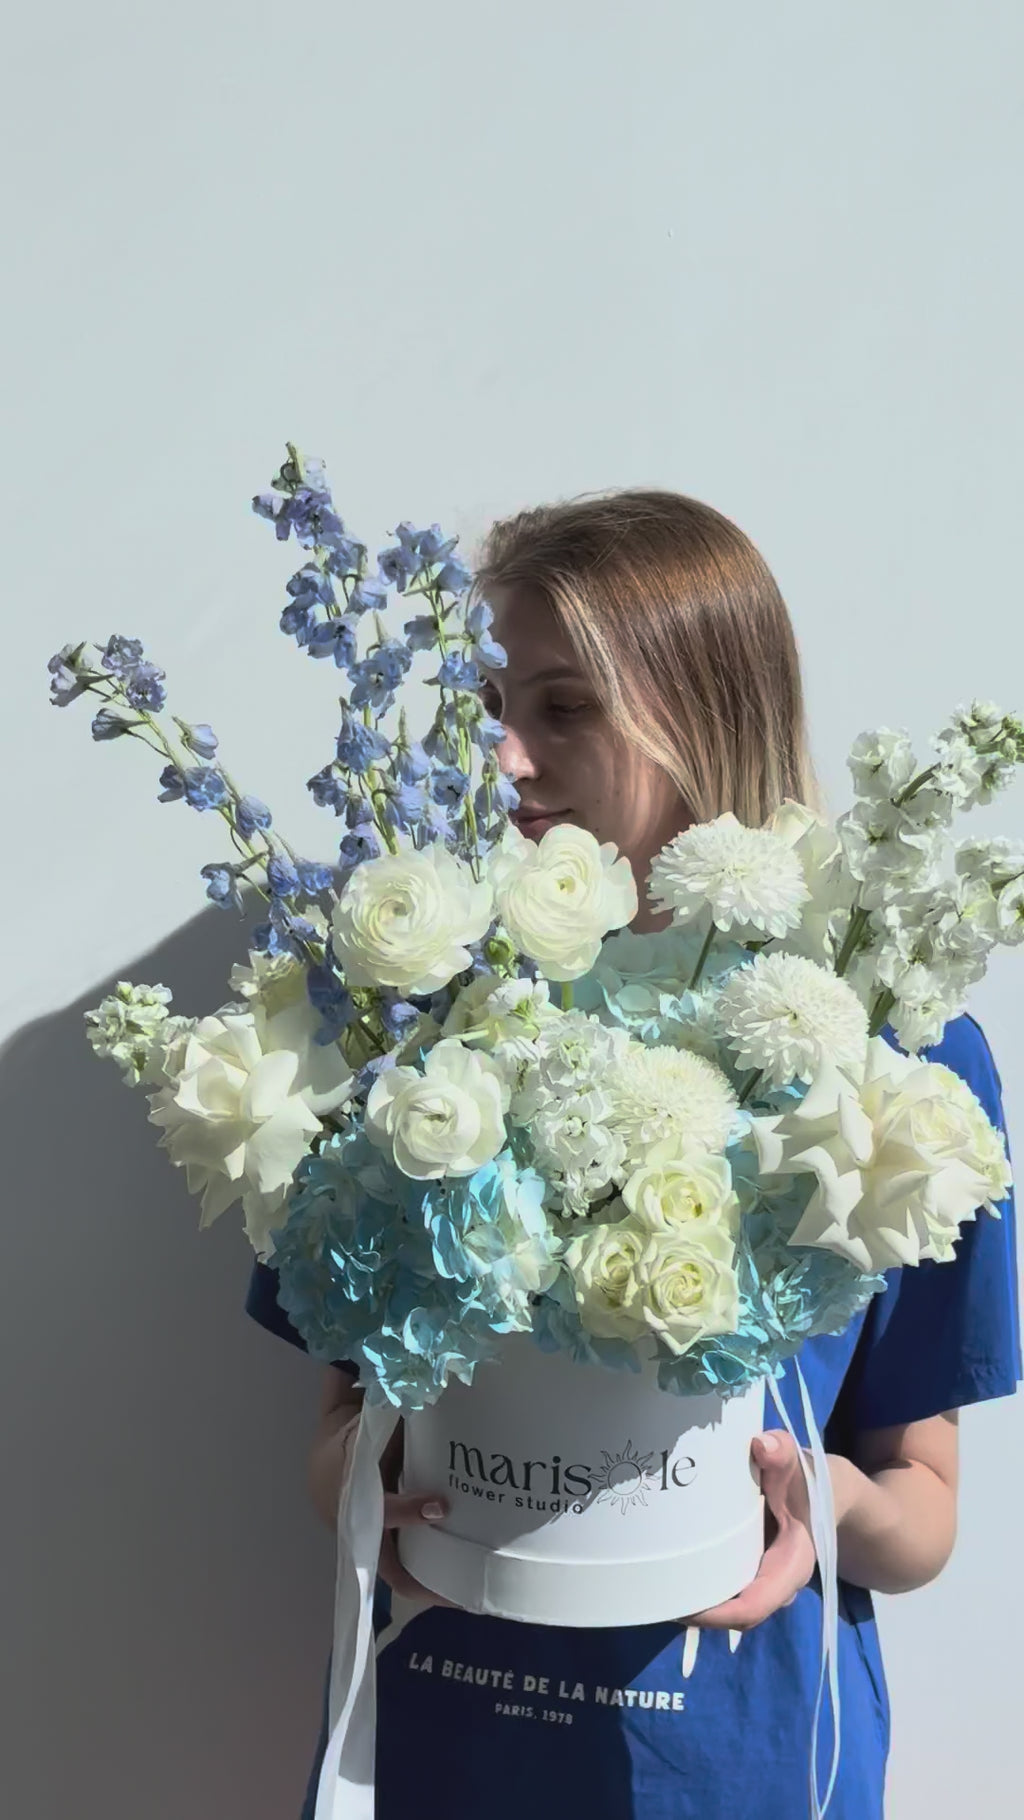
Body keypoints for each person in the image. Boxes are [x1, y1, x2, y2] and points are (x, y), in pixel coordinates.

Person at [245, 488, 1021, 1819]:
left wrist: (813, 1508)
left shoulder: (892, 1052)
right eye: (489, 706)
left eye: (563, 707)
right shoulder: (421, 1025)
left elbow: (925, 1507)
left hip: (742, 1771)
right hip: (443, 1758)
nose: (503, 759)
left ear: (699, 712)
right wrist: (387, 1507)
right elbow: (331, 1450)